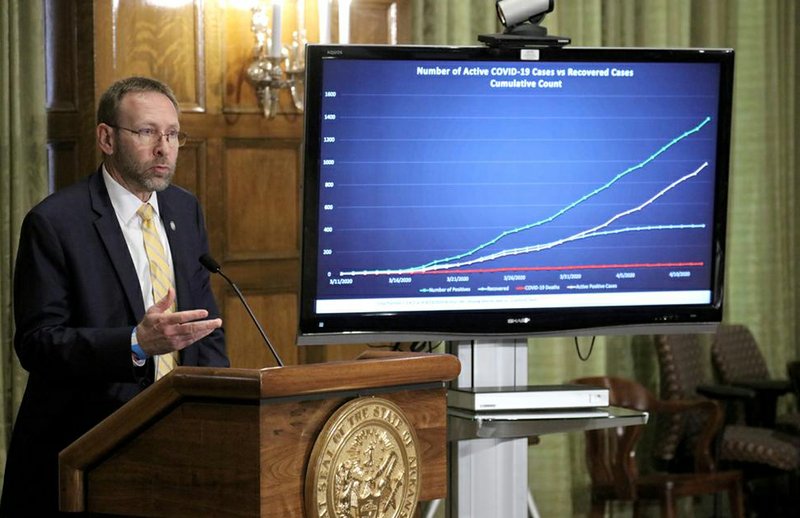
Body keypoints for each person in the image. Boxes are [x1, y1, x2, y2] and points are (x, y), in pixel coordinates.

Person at [0, 76, 229, 515]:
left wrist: (216, 416)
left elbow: (206, 329)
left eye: (173, 134)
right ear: (106, 138)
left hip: (179, 443)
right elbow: (38, 343)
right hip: (86, 448)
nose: (164, 147)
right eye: (146, 132)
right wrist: (137, 343)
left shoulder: (185, 209)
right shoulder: (55, 223)